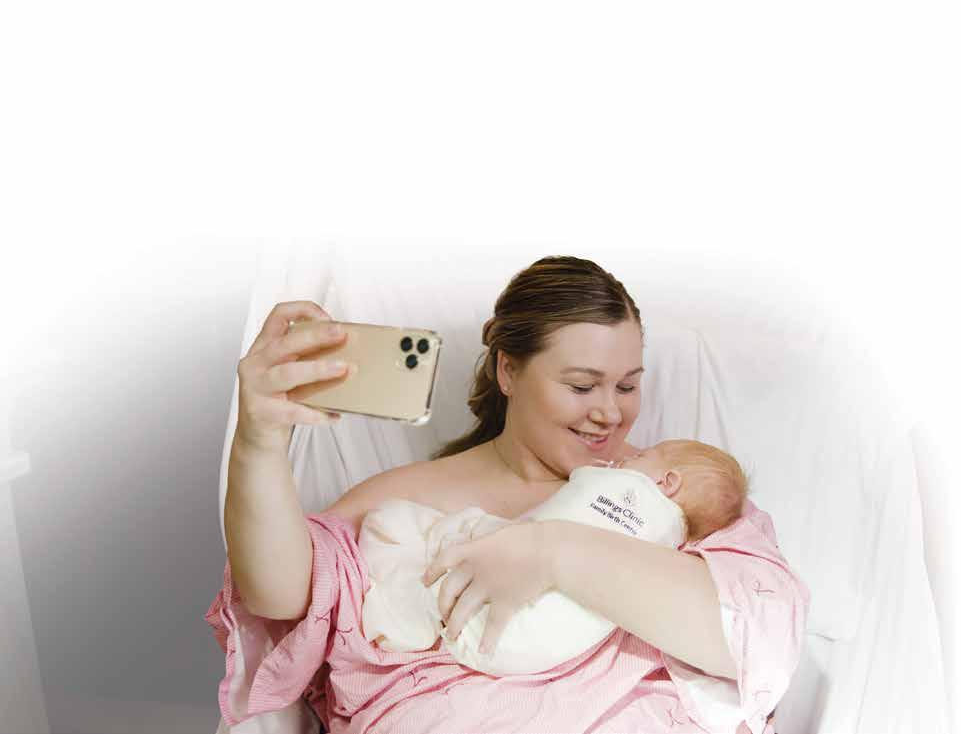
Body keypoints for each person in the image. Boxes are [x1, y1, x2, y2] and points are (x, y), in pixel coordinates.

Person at [207, 255, 809, 734]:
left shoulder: (678, 497)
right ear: (508, 372)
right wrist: (259, 441)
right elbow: (279, 596)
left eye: (627, 386)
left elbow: (754, 637)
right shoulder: (403, 499)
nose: (609, 412)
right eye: (582, 386)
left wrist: (552, 552)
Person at [359, 440, 748, 677]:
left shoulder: (620, 488)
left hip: (490, 612)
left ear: (667, 482)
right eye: (581, 385)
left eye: (642, 455)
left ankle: (408, 611)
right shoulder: (670, 547)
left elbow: (584, 491)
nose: (627, 458)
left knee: (414, 530)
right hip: (526, 654)